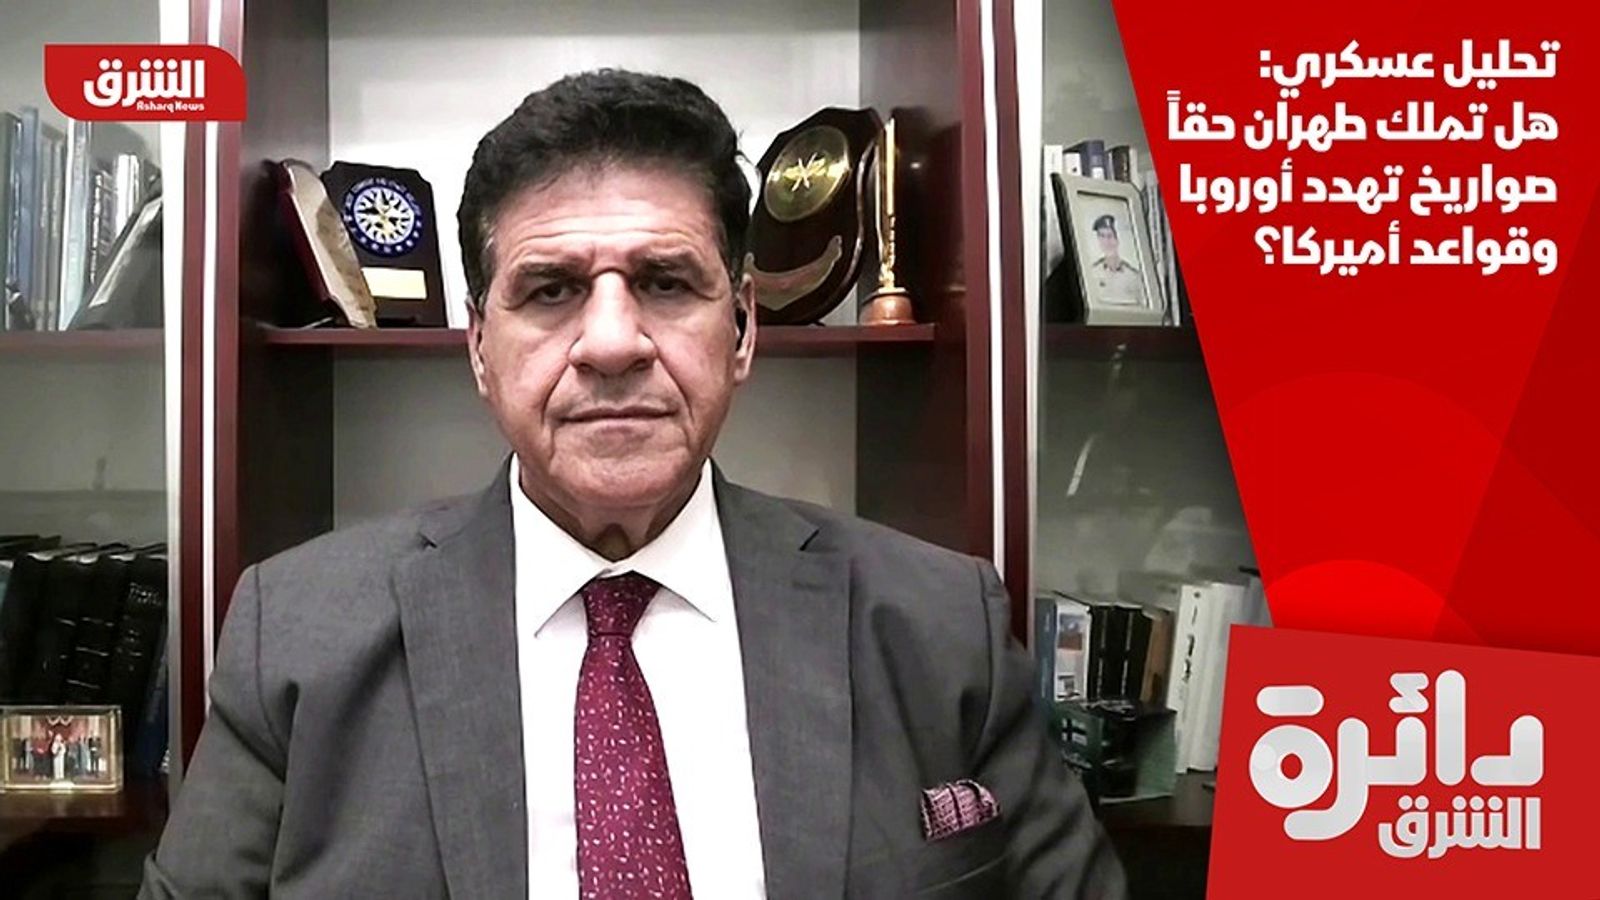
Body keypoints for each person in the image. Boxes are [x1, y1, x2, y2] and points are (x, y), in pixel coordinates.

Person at [140, 70, 1125, 899]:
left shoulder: (940, 627)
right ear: (479, 348)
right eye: (551, 290)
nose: (612, 344)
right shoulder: (296, 638)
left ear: (742, 329)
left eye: (664, 282)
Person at [1087, 214, 1145, 307]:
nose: (1106, 242)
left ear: (1117, 239)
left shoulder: (1133, 277)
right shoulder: (1093, 273)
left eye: (1110, 236)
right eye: (1102, 236)